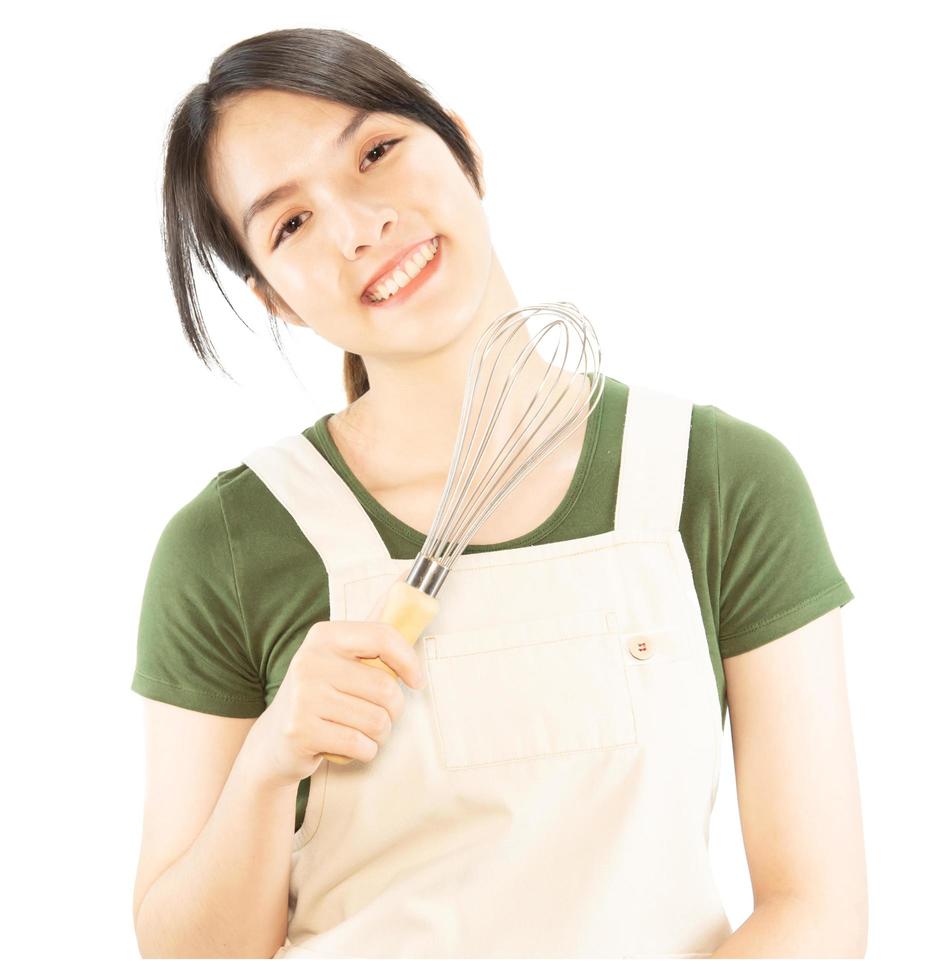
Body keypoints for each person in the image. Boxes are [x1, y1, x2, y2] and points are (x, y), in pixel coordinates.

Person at [130, 27, 865, 958]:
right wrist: (269, 766)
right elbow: (187, 958)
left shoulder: (719, 480)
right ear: (275, 296)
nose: (359, 227)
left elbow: (817, 910)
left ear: (464, 149)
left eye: (376, 152)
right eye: (291, 223)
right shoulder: (228, 546)